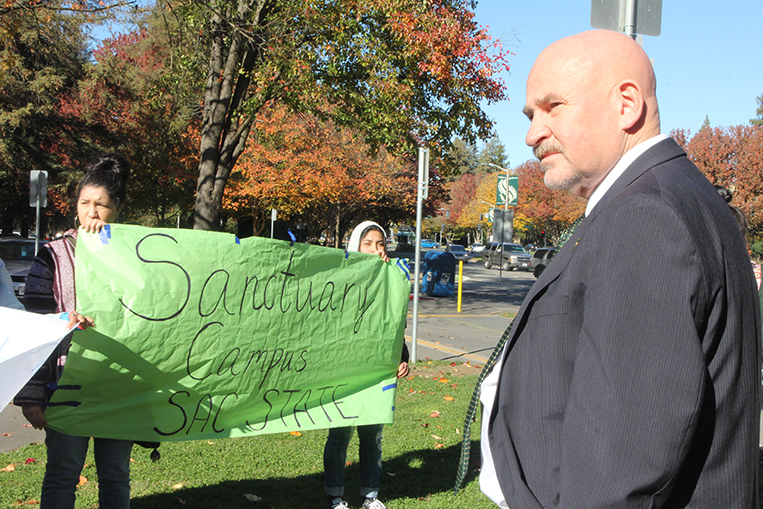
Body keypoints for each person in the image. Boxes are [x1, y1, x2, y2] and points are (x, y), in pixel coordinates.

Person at [480, 30, 760, 508]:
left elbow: (622, 467)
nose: (531, 133)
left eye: (553, 107)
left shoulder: (646, 216)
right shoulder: (663, 197)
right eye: (530, 115)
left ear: (626, 104)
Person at [14, 153, 134, 509]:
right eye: (85, 203)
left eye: (101, 205)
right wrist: (32, 394)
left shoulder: (137, 258)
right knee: (63, 472)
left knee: (115, 473)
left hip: (119, 384)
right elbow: (33, 328)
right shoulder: (52, 256)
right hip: (65, 385)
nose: (92, 213)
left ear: (118, 209)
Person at [323, 221, 410, 509]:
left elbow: (394, 323)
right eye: (368, 244)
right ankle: (336, 495)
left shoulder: (392, 279)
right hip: (345, 371)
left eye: (380, 244)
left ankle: (370, 495)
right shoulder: (341, 278)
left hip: (376, 372)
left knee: (372, 436)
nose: (375, 250)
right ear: (355, 247)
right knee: (339, 435)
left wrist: (402, 356)